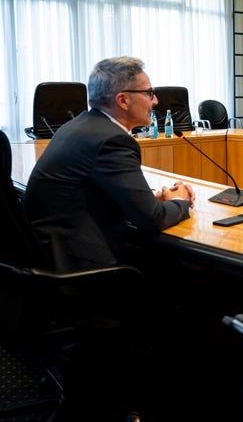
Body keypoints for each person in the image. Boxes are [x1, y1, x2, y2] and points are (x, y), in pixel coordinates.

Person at [23, 56, 196, 271]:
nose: (155, 101)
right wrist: (180, 200)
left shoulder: (79, 126)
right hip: (80, 268)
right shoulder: (112, 140)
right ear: (123, 100)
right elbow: (153, 219)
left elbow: (95, 194)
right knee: (183, 272)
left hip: (47, 257)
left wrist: (155, 198)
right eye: (149, 93)